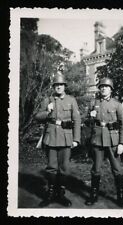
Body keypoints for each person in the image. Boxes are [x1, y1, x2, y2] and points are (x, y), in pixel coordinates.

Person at [35, 73, 81, 207]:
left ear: (64, 86)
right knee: (51, 168)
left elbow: (77, 120)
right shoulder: (47, 100)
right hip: (51, 137)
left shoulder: (71, 100)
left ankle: (60, 195)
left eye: (61, 85)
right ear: (53, 87)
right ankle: (50, 194)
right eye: (56, 85)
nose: (59, 87)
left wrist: (76, 139)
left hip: (66, 137)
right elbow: (37, 116)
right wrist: (47, 111)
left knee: (64, 168)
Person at [85, 77, 123, 208]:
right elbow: (87, 123)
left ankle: (120, 196)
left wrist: (122, 143)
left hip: (113, 141)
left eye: (106, 87)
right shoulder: (94, 103)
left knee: (117, 169)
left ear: (111, 89)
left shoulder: (117, 104)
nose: (104, 88)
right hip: (97, 140)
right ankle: (93, 195)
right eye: (102, 86)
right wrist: (90, 117)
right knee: (96, 169)